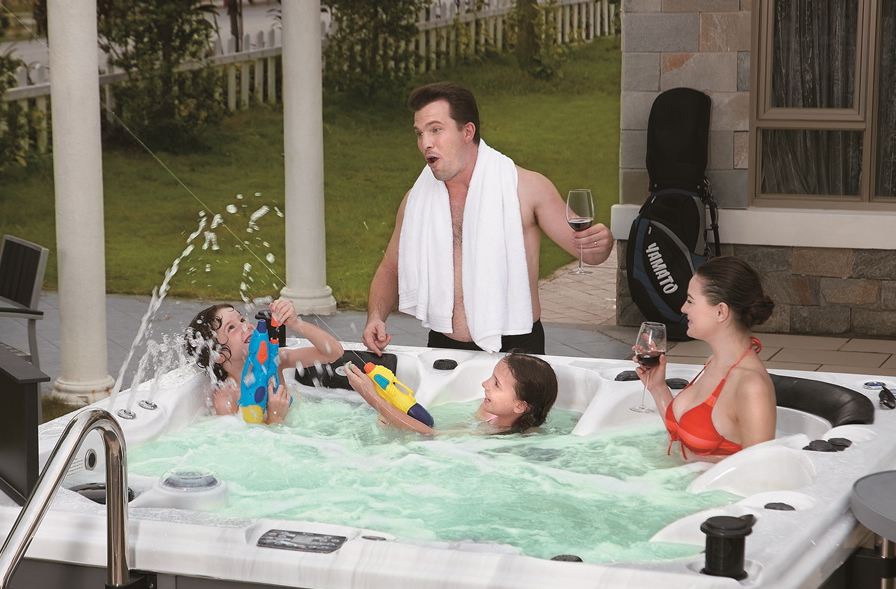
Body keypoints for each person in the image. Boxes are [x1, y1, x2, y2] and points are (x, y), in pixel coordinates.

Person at [362, 81, 613, 356]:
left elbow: (589, 253)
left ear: (467, 131)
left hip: (517, 348)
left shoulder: (526, 188)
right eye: (420, 133)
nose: (425, 143)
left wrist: (603, 242)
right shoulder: (416, 200)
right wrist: (376, 317)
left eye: (436, 130)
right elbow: (391, 267)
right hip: (444, 346)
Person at [635, 257, 777, 461]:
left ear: (721, 311)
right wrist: (658, 387)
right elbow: (685, 437)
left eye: (690, 301)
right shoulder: (714, 361)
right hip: (686, 478)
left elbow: (760, 472)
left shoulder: (752, 386)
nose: (683, 308)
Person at [184, 299, 344, 424]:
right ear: (217, 355)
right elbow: (244, 446)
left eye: (241, 320)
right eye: (231, 328)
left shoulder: (274, 360)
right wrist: (275, 418)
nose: (246, 326)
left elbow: (334, 352)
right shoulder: (227, 398)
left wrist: (296, 323)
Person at [346, 352, 559, 436]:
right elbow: (445, 430)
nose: (484, 384)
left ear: (520, 406)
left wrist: (373, 398)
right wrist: (396, 416)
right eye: (490, 377)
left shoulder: (497, 434)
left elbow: (431, 435)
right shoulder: (489, 412)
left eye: (496, 384)